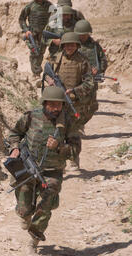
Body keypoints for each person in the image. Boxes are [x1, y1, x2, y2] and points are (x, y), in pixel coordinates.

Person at [7, 86, 81, 256]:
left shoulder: (68, 122)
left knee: (46, 204)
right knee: (24, 209)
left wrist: (59, 147)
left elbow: (75, 149)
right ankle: (25, 215)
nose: (56, 108)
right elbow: (14, 134)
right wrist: (15, 148)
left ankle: (33, 244)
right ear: (45, 103)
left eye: (59, 105)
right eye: (52, 105)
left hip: (52, 171)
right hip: (27, 168)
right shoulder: (31, 116)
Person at [44, 32, 94, 169]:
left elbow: (89, 84)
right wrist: (50, 81)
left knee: (72, 134)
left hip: (74, 104)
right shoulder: (57, 58)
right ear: (63, 46)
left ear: (77, 46)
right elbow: (47, 71)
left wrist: (74, 91)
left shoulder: (83, 61)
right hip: (57, 103)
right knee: (56, 131)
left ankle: (73, 158)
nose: (69, 47)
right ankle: (57, 162)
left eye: (72, 45)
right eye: (67, 45)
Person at [75, 19, 108, 126]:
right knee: (76, 105)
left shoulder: (94, 46)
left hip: (92, 81)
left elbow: (103, 60)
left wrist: (98, 70)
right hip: (77, 81)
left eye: (85, 34)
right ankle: (74, 129)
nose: (83, 37)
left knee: (93, 106)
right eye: (80, 35)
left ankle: (78, 125)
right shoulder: (73, 45)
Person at [19, 0, 53, 78]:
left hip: (45, 33)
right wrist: (26, 30)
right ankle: (36, 73)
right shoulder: (30, 6)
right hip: (33, 34)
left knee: (41, 52)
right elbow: (21, 19)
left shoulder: (49, 5)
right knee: (34, 52)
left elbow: (55, 18)